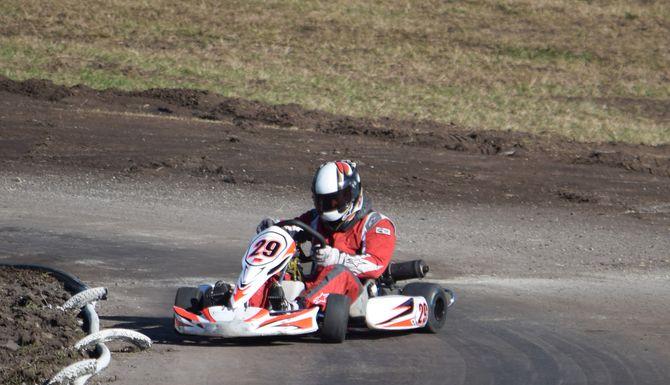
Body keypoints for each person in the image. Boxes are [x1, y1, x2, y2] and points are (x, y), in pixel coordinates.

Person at [254, 160, 396, 309]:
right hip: (316, 286)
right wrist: (274, 227)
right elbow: (294, 226)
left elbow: (376, 266)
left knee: (339, 272)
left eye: (335, 201)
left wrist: (335, 258)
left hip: (356, 295)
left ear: (352, 194)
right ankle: (246, 304)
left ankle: (298, 308)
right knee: (275, 269)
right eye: (323, 201)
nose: (328, 206)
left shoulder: (377, 224)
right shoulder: (316, 218)